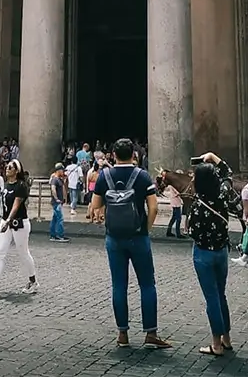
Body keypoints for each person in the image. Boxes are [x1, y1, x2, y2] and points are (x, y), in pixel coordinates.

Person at [90, 137, 171, 349]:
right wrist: (146, 228)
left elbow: (95, 206)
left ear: (113, 155)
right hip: (138, 237)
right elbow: (153, 208)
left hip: (114, 238)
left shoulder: (104, 175)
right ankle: (151, 334)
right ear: (134, 155)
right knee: (147, 284)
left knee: (119, 285)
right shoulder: (142, 176)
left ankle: (122, 334)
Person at [187, 152, 234, 357]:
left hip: (203, 254)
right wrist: (213, 157)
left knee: (212, 298)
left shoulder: (198, 205)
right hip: (221, 252)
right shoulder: (223, 194)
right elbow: (227, 174)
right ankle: (226, 339)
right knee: (221, 295)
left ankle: (215, 344)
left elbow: (192, 232)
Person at [0, 159, 37, 298]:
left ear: (16, 171)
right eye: (6, 167)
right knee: (0, 252)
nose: (7, 169)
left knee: (23, 252)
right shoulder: (6, 185)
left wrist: (8, 221)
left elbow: (16, 206)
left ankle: (33, 281)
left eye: (10, 167)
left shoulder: (21, 186)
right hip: (6, 221)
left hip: (19, 223)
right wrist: (3, 220)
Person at [49, 163, 70, 243]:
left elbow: (63, 189)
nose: (63, 172)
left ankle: (53, 235)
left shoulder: (59, 179)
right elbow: (53, 189)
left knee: (55, 218)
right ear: (59, 170)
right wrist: (56, 198)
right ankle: (59, 235)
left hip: (58, 201)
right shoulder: (55, 179)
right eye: (62, 170)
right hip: (56, 202)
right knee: (59, 218)